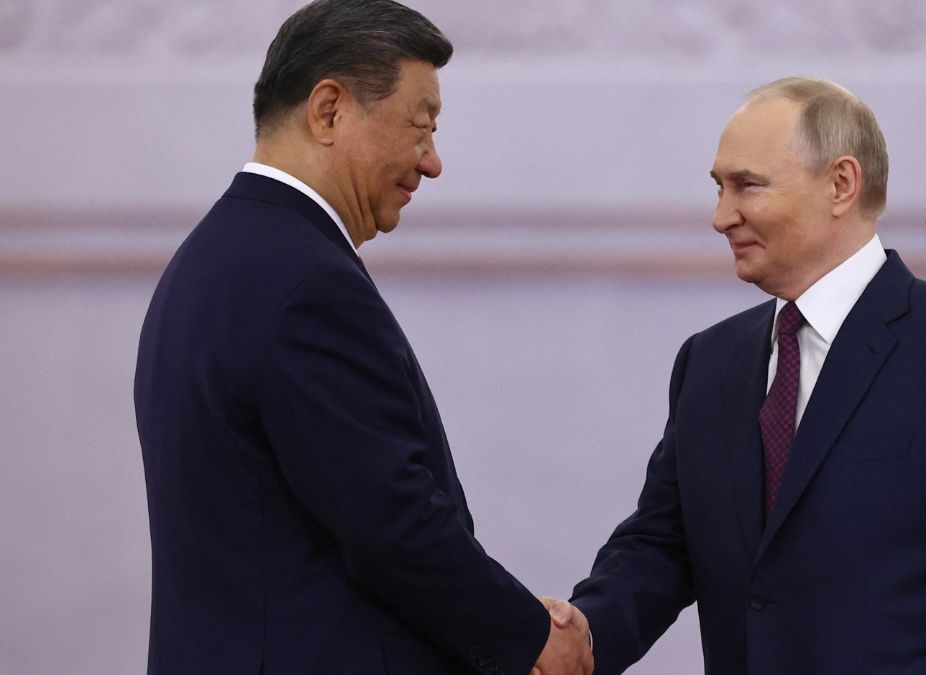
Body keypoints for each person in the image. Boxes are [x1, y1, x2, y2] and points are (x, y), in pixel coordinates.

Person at [545, 77, 926, 674]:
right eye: (719, 187)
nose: (721, 216)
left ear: (841, 184)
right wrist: (579, 639)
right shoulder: (709, 361)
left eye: (747, 185)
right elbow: (662, 546)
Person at [133, 2, 592, 673]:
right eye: (421, 126)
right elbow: (391, 523)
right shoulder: (303, 281)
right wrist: (530, 636)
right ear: (329, 110)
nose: (432, 162)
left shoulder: (211, 259)